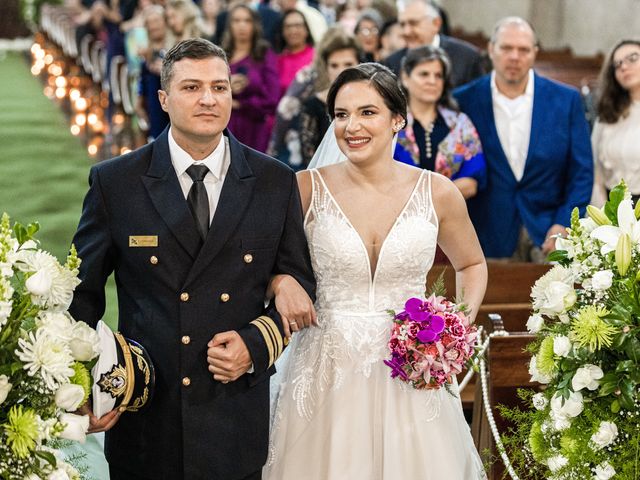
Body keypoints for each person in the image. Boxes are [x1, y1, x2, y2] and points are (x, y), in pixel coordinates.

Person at [69, 38, 316, 480]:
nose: (208, 99)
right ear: (164, 99)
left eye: (220, 87)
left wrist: (256, 346)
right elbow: (82, 295)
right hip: (148, 411)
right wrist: (83, 386)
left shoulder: (273, 181)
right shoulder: (117, 182)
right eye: (191, 87)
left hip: (233, 409)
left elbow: (300, 283)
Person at [263, 63, 487, 479]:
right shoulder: (305, 188)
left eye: (368, 112)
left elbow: (471, 264)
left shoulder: (437, 192)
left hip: (410, 369)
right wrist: (282, 283)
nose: (352, 127)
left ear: (397, 118)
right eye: (342, 115)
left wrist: (453, 327)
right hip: (325, 367)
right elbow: (269, 267)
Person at [454, 17, 593, 261]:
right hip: (485, 233)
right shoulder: (464, 101)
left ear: (535, 53)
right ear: (490, 49)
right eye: (506, 48)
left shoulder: (566, 100)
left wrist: (564, 222)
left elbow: (581, 172)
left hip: (548, 231)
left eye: (523, 49)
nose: (514, 56)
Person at [395, 46, 486, 199]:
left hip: (448, 217)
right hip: (394, 215)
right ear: (405, 77)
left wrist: (430, 201)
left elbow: (472, 183)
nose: (432, 81)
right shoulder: (390, 123)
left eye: (438, 76)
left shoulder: (460, 123)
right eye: (424, 74)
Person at [383, 0, 483, 88]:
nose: (406, 32)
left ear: (436, 24)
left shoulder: (467, 57)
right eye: (402, 25)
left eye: (413, 23)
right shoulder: (391, 64)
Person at [222, 3, 280, 152]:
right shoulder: (221, 55)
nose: (242, 26)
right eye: (236, 20)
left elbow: (272, 99)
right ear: (229, 25)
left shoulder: (264, 54)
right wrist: (228, 85)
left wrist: (241, 103)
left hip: (255, 127)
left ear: (254, 25)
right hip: (225, 127)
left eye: (247, 21)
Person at [299, 30, 361, 165]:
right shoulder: (312, 106)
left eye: (348, 64)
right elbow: (309, 159)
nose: (341, 71)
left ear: (359, 64)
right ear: (326, 68)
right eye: (334, 65)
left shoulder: (372, 102)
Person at [591, 39, 640, 206]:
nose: (624, 67)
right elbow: (595, 168)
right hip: (611, 206)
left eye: (632, 58)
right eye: (617, 65)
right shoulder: (608, 113)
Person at [276, 9, 315, 97]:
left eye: (297, 25)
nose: (293, 30)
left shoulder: (316, 57)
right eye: (288, 26)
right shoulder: (277, 61)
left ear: (307, 30)